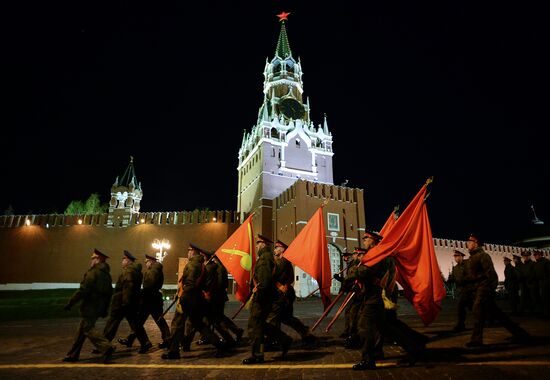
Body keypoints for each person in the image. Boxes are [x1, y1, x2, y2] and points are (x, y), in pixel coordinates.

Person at [464, 233, 531, 347]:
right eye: (468, 241)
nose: (468, 243)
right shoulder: (472, 258)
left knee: (478, 311)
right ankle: (521, 334)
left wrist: (488, 289)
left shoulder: (483, 256)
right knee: (499, 315)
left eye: (470, 242)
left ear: (476, 244)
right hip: (477, 289)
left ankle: (477, 339)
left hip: (483, 289)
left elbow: (491, 275)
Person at [162, 243, 225, 359]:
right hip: (195, 299)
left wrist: (182, 297)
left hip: (188, 298)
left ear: (194, 252)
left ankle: (174, 351)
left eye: (189, 250)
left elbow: (190, 284)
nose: (188, 252)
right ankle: (219, 344)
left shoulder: (192, 265)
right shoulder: (200, 264)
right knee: (199, 325)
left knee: (177, 324)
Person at [242, 234, 293, 364]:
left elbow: (264, 282)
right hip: (265, 298)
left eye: (258, 243)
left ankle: (257, 355)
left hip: (262, 299)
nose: (257, 245)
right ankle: (284, 340)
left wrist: (257, 297)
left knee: (254, 326)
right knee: (262, 325)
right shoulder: (266, 257)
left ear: (263, 244)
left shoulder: (265, 259)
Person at [62, 249, 115, 363]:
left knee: (88, 328)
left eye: (93, 258)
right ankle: (73, 354)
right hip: (99, 307)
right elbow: (109, 293)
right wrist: (105, 309)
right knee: (82, 330)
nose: (91, 260)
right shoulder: (107, 275)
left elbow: (83, 290)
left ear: (98, 260)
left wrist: (70, 303)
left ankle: (106, 347)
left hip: (90, 306)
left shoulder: (93, 273)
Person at [267, 240, 316, 347]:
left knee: (274, 317)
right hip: (285, 293)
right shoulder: (281, 261)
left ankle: (275, 340)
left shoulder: (283, 261)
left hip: (283, 295)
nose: (274, 250)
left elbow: (274, 276)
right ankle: (305, 333)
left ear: (282, 249)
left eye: (276, 248)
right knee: (286, 318)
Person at [103, 250, 152, 354]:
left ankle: (103, 344)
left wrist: (125, 302)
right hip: (130, 302)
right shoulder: (136, 272)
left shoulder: (128, 271)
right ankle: (145, 342)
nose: (122, 261)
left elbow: (128, 287)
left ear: (128, 260)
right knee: (135, 324)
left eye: (123, 259)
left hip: (123, 302)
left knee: (112, 323)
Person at [118, 254, 171, 349]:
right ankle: (167, 339)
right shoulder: (155, 270)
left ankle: (165, 340)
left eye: (146, 262)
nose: (146, 264)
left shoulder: (153, 271)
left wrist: (142, 294)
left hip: (149, 300)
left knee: (140, 322)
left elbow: (148, 286)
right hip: (153, 299)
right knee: (157, 321)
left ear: (151, 261)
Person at [351, 231, 386, 370]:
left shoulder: (375, 253)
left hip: (373, 295)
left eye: (366, 238)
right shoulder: (373, 253)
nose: (363, 240)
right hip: (370, 294)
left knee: (364, 326)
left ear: (373, 240)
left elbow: (365, 271)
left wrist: (354, 271)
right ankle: (415, 345)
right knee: (383, 326)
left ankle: (368, 360)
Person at [447, 249, 472, 332]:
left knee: (472, 308)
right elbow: (452, 278)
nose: (455, 258)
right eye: (455, 257)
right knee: (462, 309)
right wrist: (448, 281)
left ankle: (487, 320)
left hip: (470, 291)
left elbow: (471, 276)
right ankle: (461, 324)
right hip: (461, 292)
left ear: (462, 256)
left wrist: (463, 280)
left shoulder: (468, 265)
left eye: (457, 256)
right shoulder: (455, 268)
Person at [533, 250, 550, 318]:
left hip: (546, 282)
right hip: (540, 283)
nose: (535, 256)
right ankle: (544, 313)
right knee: (542, 299)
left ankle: (547, 314)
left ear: (540, 255)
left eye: (536, 255)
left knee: (546, 299)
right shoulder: (537, 263)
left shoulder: (546, 262)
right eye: (534, 255)